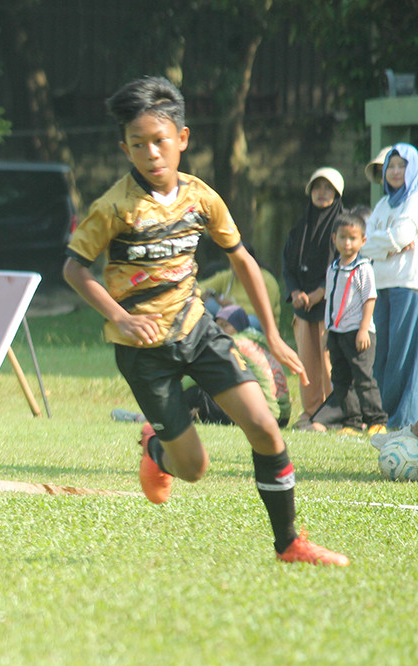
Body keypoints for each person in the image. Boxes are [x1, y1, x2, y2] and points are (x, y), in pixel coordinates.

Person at [64, 75, 348, 566]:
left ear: (182, 140)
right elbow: (73, 269)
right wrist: (120, 318)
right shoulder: (112, 208)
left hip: (197, 331)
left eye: (159, 141)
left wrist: (275, 336)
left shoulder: (201, 197)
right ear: (125, 148)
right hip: (143, 354)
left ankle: (289, 544)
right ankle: (157, 450)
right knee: (194, 469)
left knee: (265, 426)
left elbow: (242, 261)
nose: (151, 154)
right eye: (138, 145)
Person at [360, 143, 418, 430]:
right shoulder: (383, 204)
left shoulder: (415, 199)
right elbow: (364, 244)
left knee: (401, 354)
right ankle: (379, 416)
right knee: (380, 353)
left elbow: (403, 234)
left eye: (401, 166)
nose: (395, 172)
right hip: (379, 285)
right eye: (390, 167)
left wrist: (386, 243)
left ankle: (401, 417)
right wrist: (390, 245)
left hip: (407, 286)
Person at [282, 167, 344, 430]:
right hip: (303, 307)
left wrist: (320, 293)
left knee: (329, 363)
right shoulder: (300, 227)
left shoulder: (343, 226)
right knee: (306, 363)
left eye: (328, 188)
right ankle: (310, 412)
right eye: (317, 187)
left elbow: (342, 263)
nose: (322, 193)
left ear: (337, 193)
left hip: (330, 306)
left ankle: (333, 415)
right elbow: (288, 265)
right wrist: (295, 292)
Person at [324, 212, 388, 436]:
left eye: (352, 238)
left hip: (358, 332)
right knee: (340, 378)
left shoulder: (363, 268)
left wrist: (363, 329)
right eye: (342, 237)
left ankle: (377, 421)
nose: (347, 242)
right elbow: (330, 300)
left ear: (363, 240)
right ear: (334, 239)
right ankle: (351, 422)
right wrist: (327, 330)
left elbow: (369, 299)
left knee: (363, 378)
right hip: (336, 331)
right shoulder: (333, 268)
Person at [181, 305, 291, 428]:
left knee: (197, 392)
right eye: (217, 325)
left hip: (263, 417)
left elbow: (196, 376)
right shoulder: (257, 343)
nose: (219, 330)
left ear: (238, 327)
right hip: (282, 417)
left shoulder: (233, 344)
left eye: (224, 325)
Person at [199, 244, 282, 331]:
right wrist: (205, 293)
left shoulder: (266, 280)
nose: (233, 266)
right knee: (207, 304)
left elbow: (264, 313)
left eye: (237, 263)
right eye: (232, 262)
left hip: (256, 321)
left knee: (249, 320)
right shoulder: (229, 276)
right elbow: (201, 286)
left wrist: (233, 307)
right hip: (227, 314)